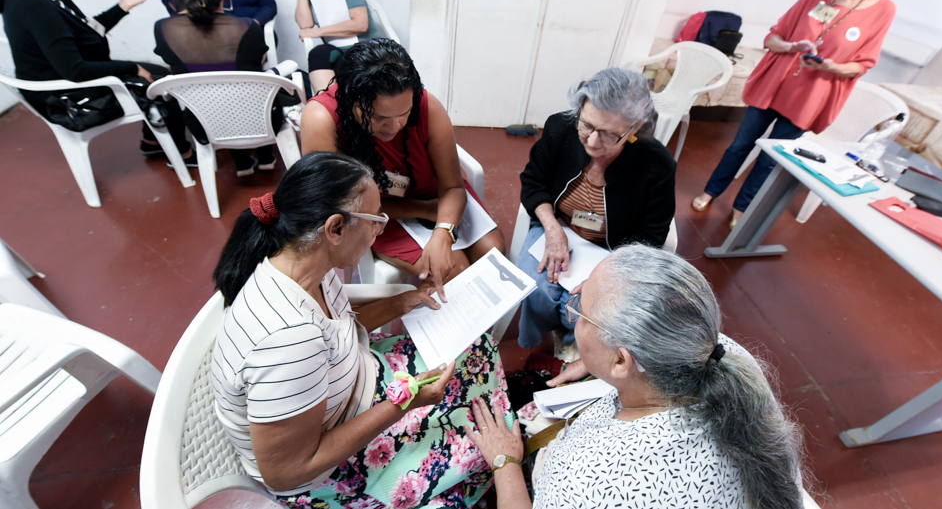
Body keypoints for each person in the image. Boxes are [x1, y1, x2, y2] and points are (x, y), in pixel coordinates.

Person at [211, 152, 513, 507]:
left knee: (478, 350)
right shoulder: (288, 341)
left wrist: (401, 302)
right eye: (375, 220)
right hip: (328, 471)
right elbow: (287, 472)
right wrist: (405, 403)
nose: (380, 230)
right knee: (479, 447)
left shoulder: (301, 263)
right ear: (336, 228)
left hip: (355, 385)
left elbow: (338, 330)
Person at [467, 244, 808, 509]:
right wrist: (599, 362)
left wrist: (505, 462)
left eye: (581, 311)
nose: (574, 310)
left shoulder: (587, 480)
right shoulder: (719, 352)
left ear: (622, 360)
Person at [692, 0, 904, 228]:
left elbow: (862, 64)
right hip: (775, 85)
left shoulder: (884, 11)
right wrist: (792, 47)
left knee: (771, 158)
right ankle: (711, 191)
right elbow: (773, 37)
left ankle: (742, 207)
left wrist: (831, 66)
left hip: (811, 97)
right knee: (740, 145)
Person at [300, 39, 505, 294]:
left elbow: (453, 187)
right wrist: (424, 210)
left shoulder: (426, 105)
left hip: (437, 199)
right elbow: (341, 207)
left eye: (404, 114)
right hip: (377, 215)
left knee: (493, 254)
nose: (395, 127)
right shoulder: (323, 119)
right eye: (379, 117)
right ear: (352, 101)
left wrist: (443, 232)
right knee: (455, 272)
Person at [0, 0, 191, 159]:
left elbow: (84, 31)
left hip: (67, 78)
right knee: (161, 84)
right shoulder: (35, 7)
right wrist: (132, 67)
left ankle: (152, 141)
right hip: (66, 99)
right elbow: (76, 70)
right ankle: (183, 154)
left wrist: (122, 7)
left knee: (159, 72)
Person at [517, 68, 676, 351]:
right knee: (534, 286)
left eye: (609, 135)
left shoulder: (656, 164)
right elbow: (533, 181)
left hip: (613, 249)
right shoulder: (561, 128)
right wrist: (552, 229)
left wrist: (608, 272)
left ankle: (574, 348)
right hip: (557, 224)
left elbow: (651, 235)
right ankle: (535, 343)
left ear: (635, 128)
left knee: (589, 309)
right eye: (587, 125)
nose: (592, 141)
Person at [153, 0, 275, 176]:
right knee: (258, 87)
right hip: (259, 121)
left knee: (214, 96)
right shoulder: (247, 27)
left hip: (205, 126)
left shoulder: (164, 30)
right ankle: (266, 156)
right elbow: (257, 64)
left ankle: (241, 161)